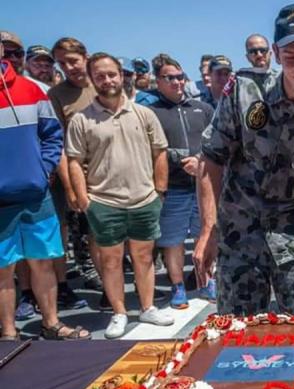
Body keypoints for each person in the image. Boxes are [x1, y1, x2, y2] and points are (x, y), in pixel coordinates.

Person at [195, 2, 294, 316]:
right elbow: (210, 158)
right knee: (235, 334)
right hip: (238, 234)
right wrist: (208, 229)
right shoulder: (244, 92)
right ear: (276, 53)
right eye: (291, 57)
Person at [65, 52, 174, 338]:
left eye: (112, 73)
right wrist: (84, 199)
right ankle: (119, 312)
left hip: (144, 199)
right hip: (103, 202)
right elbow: (74, 160)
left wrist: (159, 191)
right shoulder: (81, 120)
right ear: (92, 79)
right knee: (111, 261)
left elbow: (159, 152)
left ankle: (148, 308)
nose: (107, 80)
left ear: (121, 75)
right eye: (99, 75)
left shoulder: (143, 113)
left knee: (144, 257)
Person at [1, 41, 90, 341]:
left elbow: (53, 134)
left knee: (43, 262)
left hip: (36, 194)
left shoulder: (32, 89)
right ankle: (9, 333)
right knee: (3, 269)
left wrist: (43, 170)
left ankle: (51, 323)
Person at [147, 54, 215, 309]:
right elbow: (151, 149)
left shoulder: (203, 109)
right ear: (158, 81)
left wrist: (200, 160)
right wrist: (180, 158)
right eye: (169, 78)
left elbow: (215, 143)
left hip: (203, 186)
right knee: (172, 241)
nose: (177, 82)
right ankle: (177, 287)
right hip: (172, 188)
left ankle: (206, 280)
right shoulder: (152, 112)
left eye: (180, 77)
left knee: (204, 236)